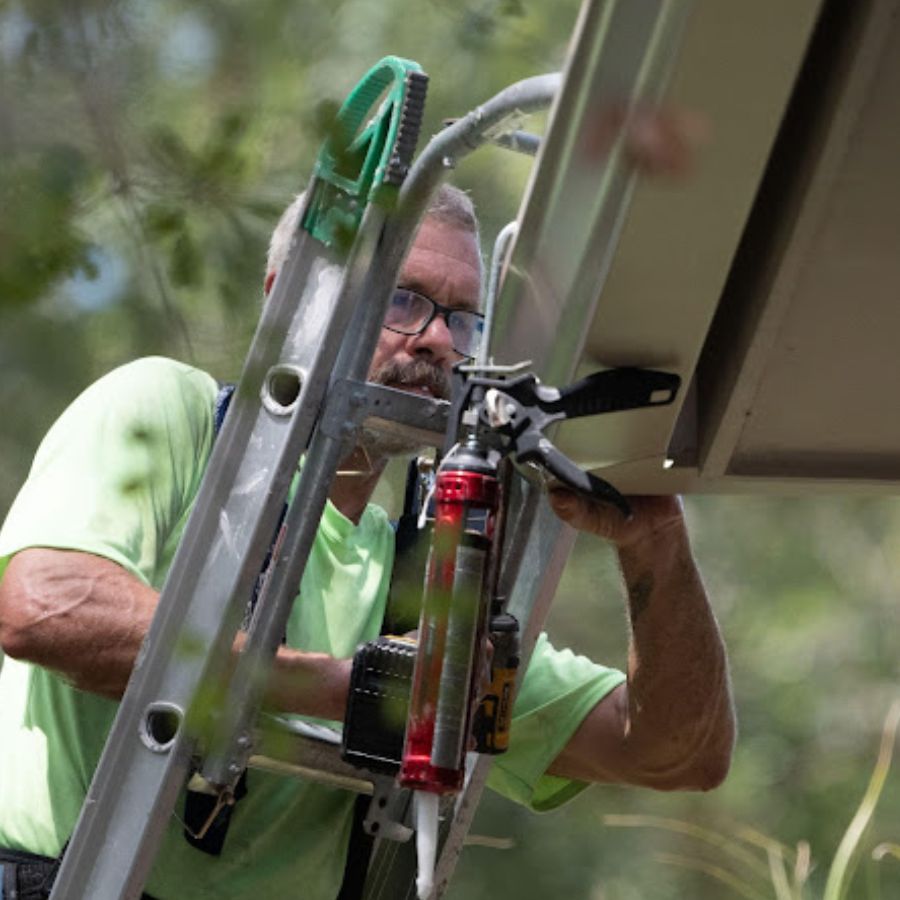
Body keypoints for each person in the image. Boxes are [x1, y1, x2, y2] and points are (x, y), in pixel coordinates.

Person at [0, 114, 734, 900]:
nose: (438, 341)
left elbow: (676, 752)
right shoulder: (174, 418)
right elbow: (47, 610)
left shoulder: (422, 574)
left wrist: (656, 545)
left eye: (462, 318)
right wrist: (341, 688)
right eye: (403, 300)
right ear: (293, 303)